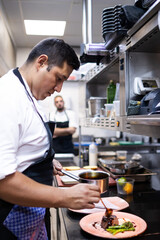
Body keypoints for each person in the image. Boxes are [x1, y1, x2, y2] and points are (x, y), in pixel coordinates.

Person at [0, 38, 100, 239]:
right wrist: (65, 196)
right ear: (41, 62)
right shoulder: (7, 97)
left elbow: (23, 149)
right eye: (59, 78)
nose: (59, 89)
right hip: (10, 219)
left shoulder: (31, 97)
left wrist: (45, 160)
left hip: (32, 212)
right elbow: (3, 181)